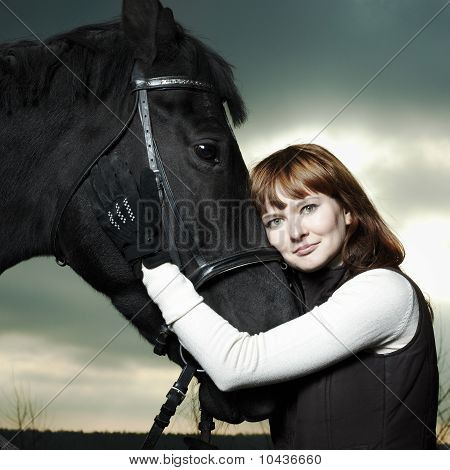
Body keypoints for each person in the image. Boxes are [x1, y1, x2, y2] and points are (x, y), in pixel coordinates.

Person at [90, 144, 438, 449]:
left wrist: (152, 264)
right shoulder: (289, 304)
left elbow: (236, 365)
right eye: (274, 221)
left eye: (308, 208)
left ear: (347, 210)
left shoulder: (384, 292)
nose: (296, 232)